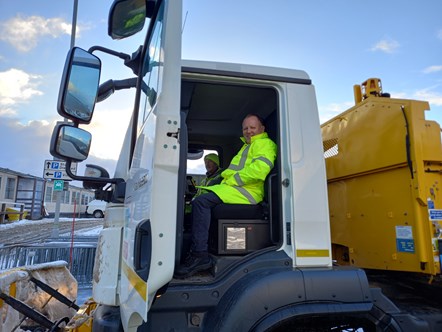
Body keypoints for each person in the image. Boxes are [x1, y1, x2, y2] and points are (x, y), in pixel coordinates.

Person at [175, 114, 277, 278]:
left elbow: (259, 171)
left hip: (248, 193)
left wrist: (232, 181)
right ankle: (198, 249)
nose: (248, 131)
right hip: (237, 189)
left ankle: (200, 255)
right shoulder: (247, 146)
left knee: (201, 202)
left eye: (252, 127)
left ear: (262, 129)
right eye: (245, 128)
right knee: (200, 200)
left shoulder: (265, 144)